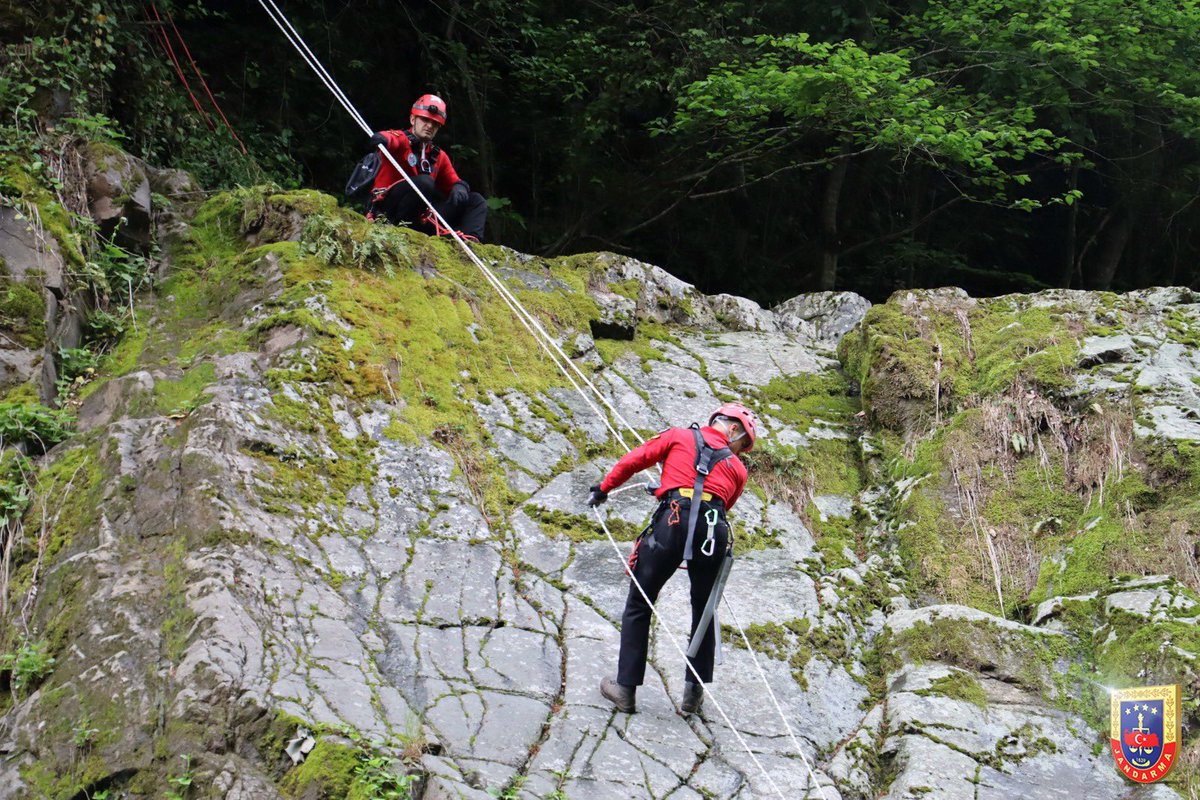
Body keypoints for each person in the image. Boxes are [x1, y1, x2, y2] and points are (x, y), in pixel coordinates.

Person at [587, 402, 758, 715]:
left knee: (640, 601)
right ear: (731, 428)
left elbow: (634, 460)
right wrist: (670, 490)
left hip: (674, 521)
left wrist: (603, 489)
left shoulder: (678, 436)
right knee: (704, 609)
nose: (740, 450)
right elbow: (721, 501)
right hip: (714, 532)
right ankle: (693, 695)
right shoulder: (738, 469)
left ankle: (625, 689)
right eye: (742, 443)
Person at [366, 94, 488, 242]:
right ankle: (397, 228)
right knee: (425, 183)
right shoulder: (401, 140)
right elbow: (391, 138)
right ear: (413, 119)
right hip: (389, 209)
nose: (429, 126)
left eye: (435, 123)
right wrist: (382, 139)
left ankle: (470, 242)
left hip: (420, 217)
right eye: (425, 120)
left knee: (475, 200)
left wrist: (460, 187)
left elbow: (454, 181)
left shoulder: (438, 156)